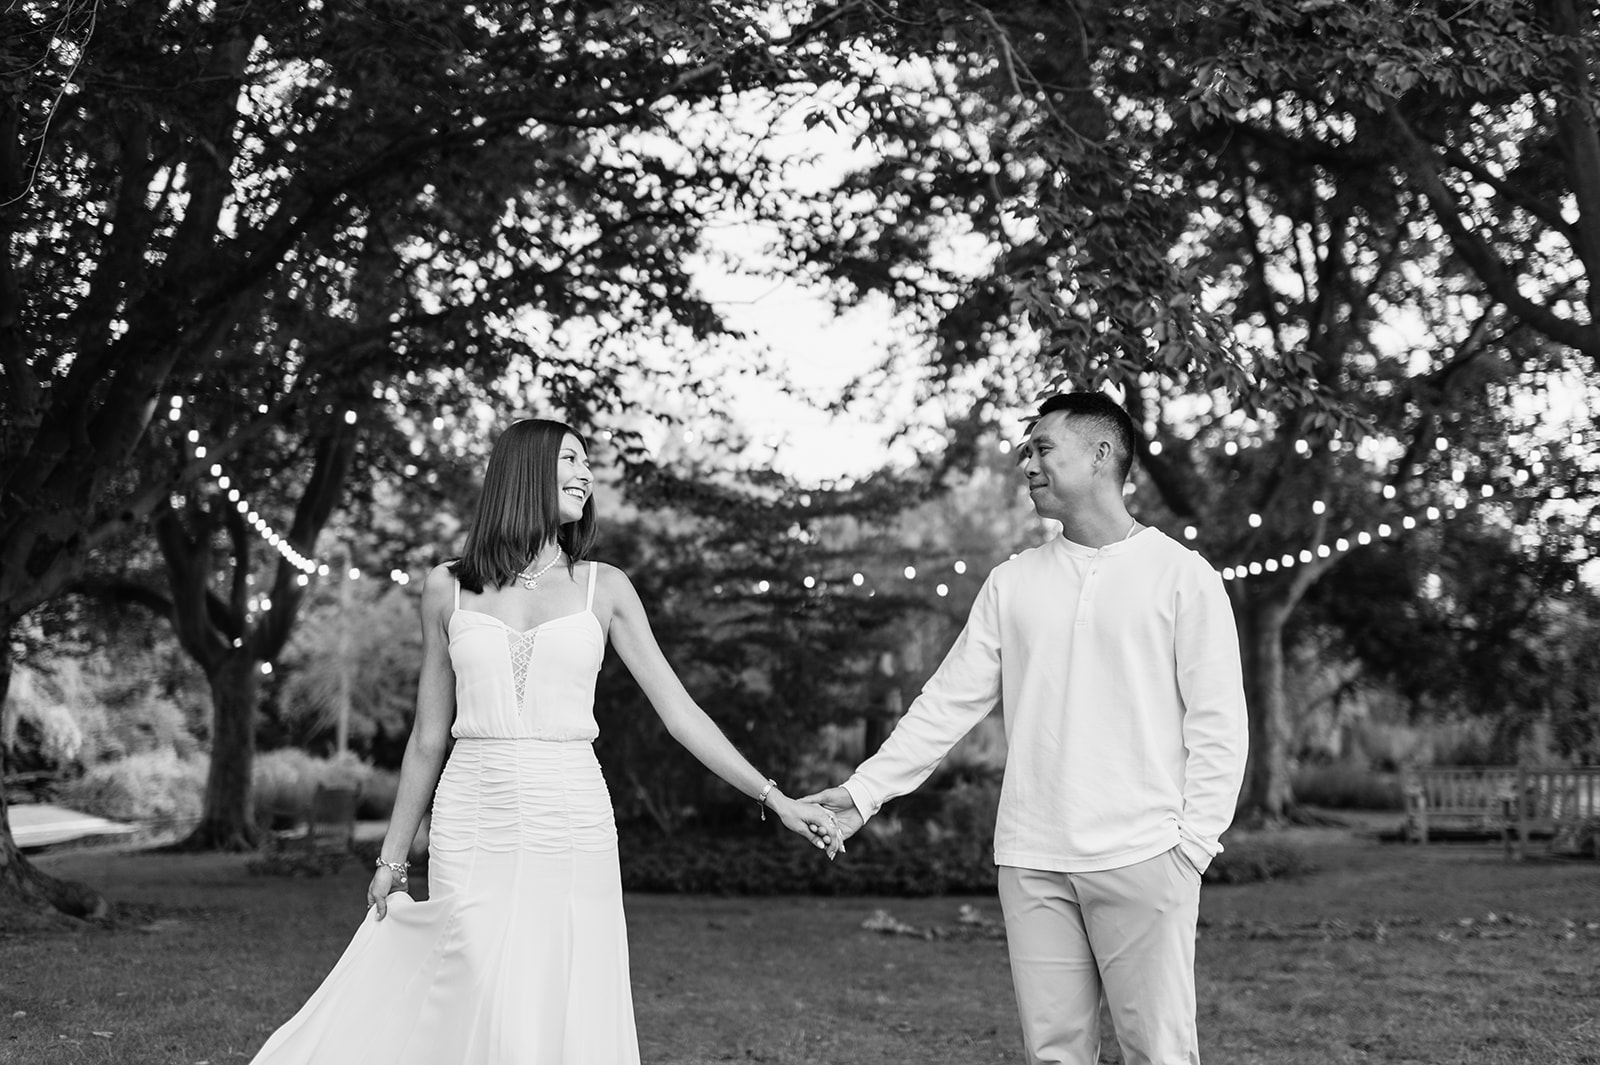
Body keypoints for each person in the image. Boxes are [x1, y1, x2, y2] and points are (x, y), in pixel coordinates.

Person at [248, 418, 835, 1065]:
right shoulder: (447, 586)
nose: (587, 475)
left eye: (588, 464)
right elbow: (424, 735)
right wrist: (391, 860)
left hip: (571, 816)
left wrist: (776, 798)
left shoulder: (604, 586)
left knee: (559, 996)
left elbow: (680, 712)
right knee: (472, 990)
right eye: (573, 459)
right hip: (473, 815)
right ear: (525, 468)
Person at [804, 391, 1248, 1065]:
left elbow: (1219, 722)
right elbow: (947, 702)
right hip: (1032, 857)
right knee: (1053, 1054)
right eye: (1027, 452)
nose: (1028, 465)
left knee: (1158, 1051)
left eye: (1042, 448)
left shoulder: (1183, 576)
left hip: (1145, 854)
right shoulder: (1012, 582)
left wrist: (1191, 846)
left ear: (1103, 453)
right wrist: (864, 793)